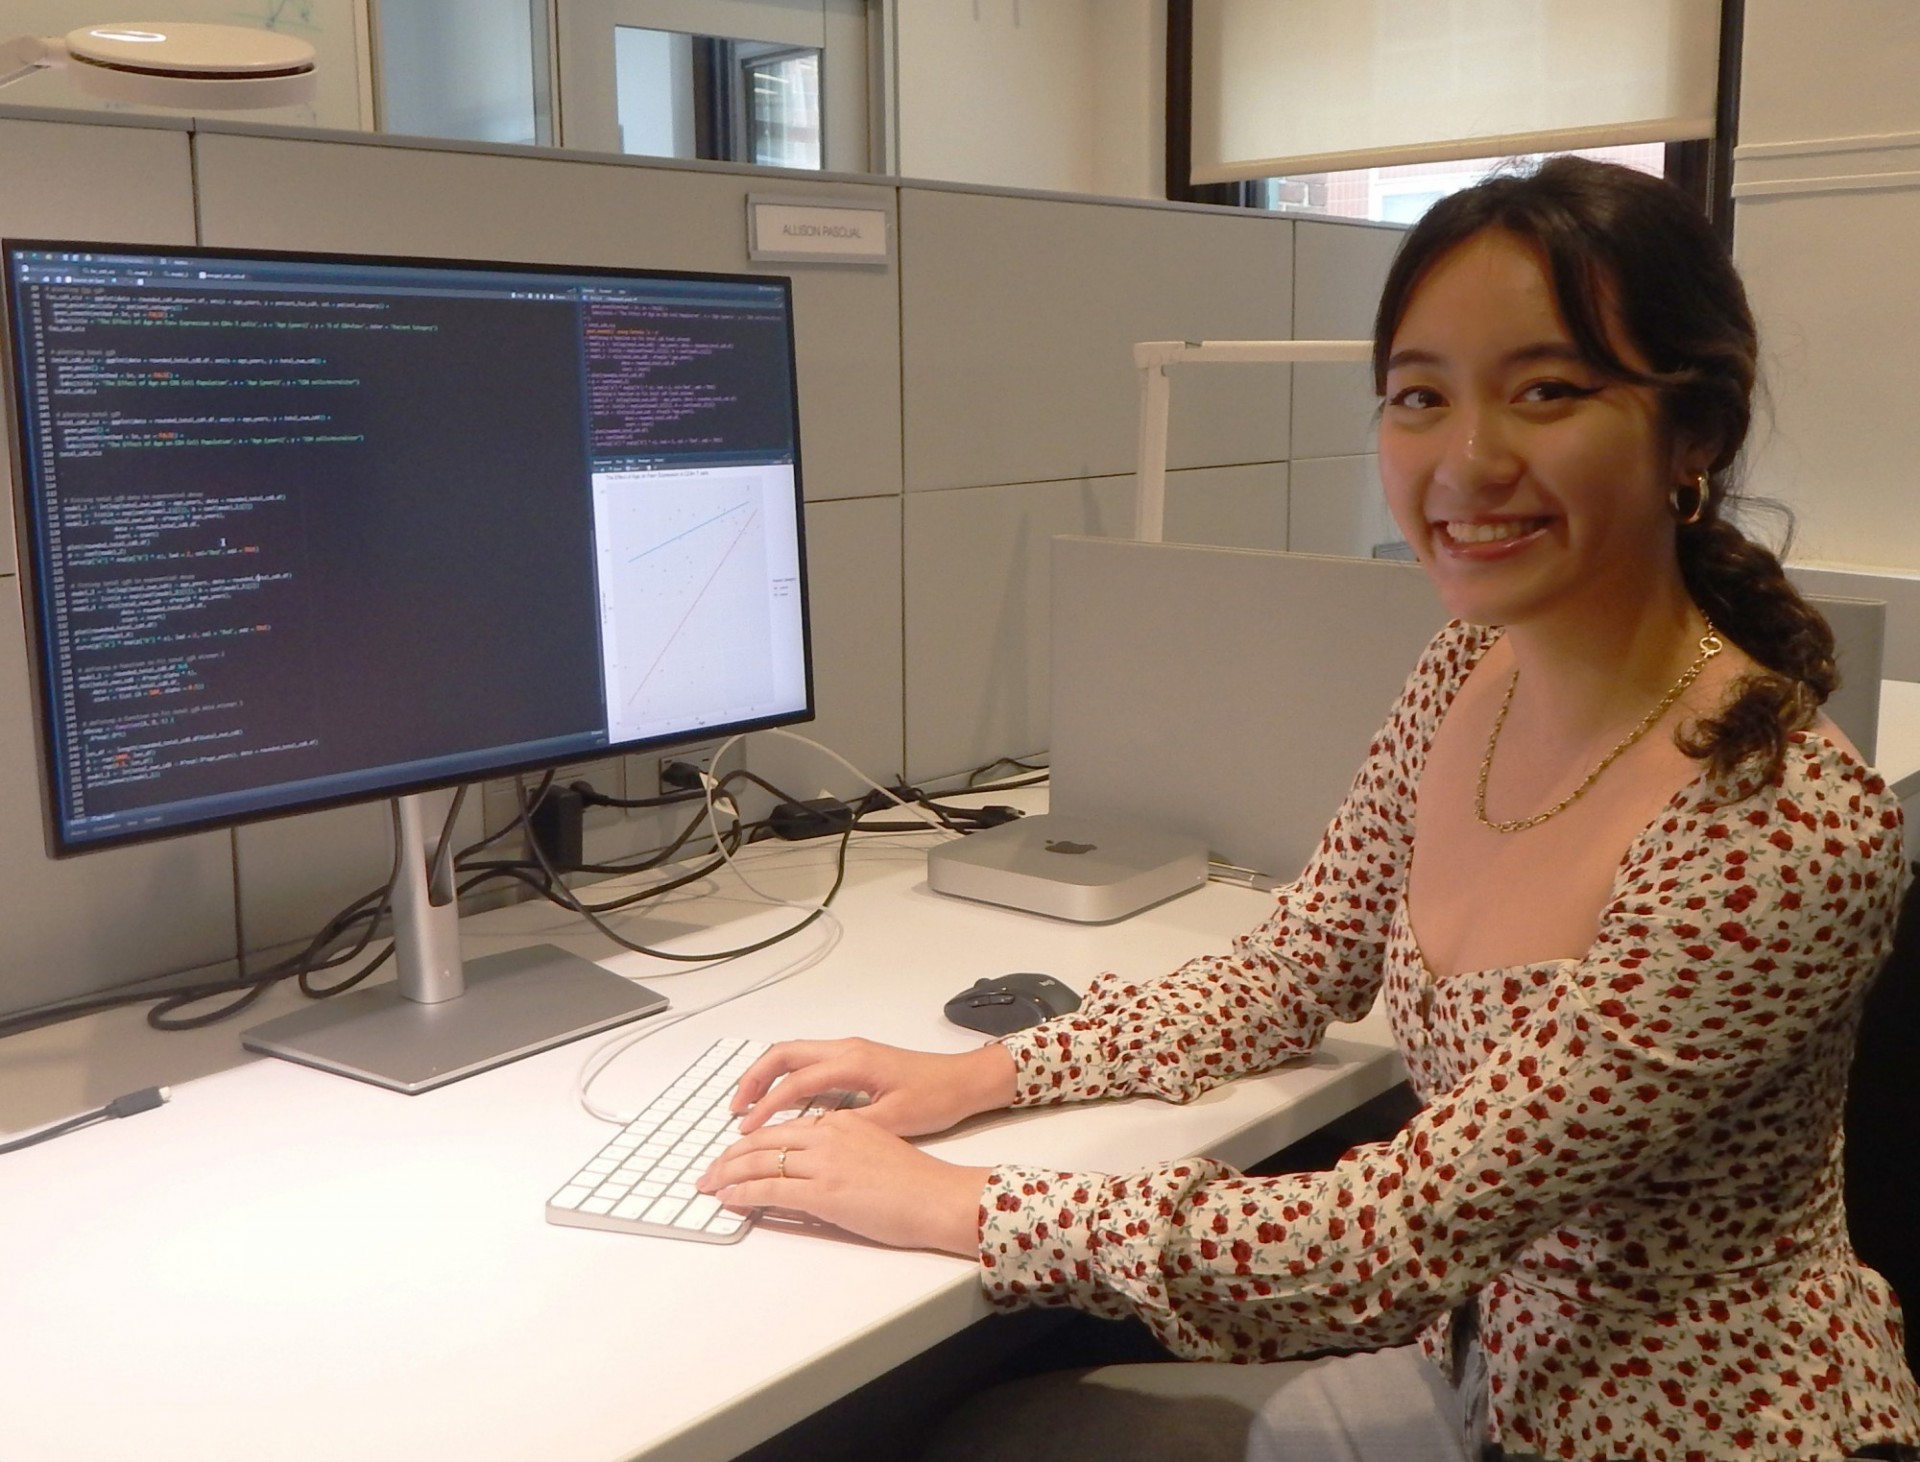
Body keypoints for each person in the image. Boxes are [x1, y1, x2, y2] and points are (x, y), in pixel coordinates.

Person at [697, 156, 1920, 1461]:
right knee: (999, 1432)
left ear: (1696, 434)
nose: (1468, 458)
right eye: (1418, 396)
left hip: (1685, 1428)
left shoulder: (1774, 830)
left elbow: (1387, 1239)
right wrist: (975, 1074)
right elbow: (1292, 967)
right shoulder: (1473, 670)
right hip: (1487, 1367)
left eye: (1548, 390)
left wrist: (965, 1208)